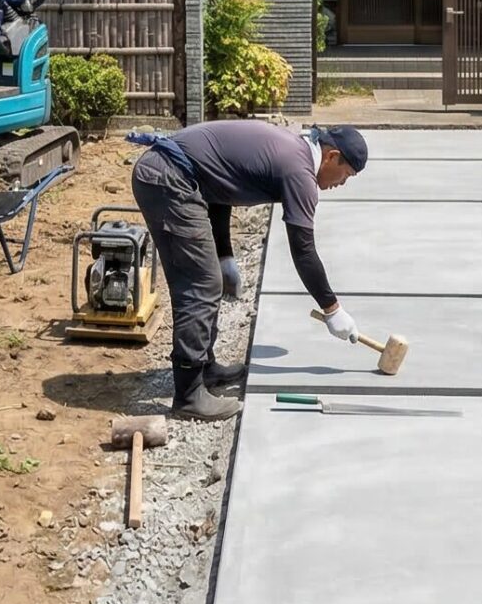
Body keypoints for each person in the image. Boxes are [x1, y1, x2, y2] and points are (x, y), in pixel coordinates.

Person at [128, 121, 367, 420]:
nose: (342, 183)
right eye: (347, 175)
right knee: (201, 284)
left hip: (175, 174)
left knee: (209, 277)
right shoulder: (299, 172)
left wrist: (225, 255)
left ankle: (204, 368)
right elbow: (303, 249)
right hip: (168, 179)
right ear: (332, 156)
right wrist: (332, 309)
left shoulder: (293, 152)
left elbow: (219, 187)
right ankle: (189, 395)